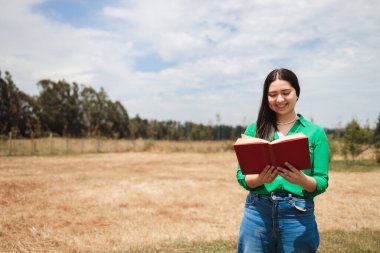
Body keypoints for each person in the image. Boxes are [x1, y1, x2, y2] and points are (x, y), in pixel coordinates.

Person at [236, 68, 329, 253]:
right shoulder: (254, 130)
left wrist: (302, 180)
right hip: (257, 213)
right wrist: (260, 179)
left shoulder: (315, 133)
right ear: (266, 97)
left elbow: (321, 181)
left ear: (297, 93)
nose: (280, 99)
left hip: (297, 213)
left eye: (286, 93)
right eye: (272, 94)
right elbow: (241, 176)